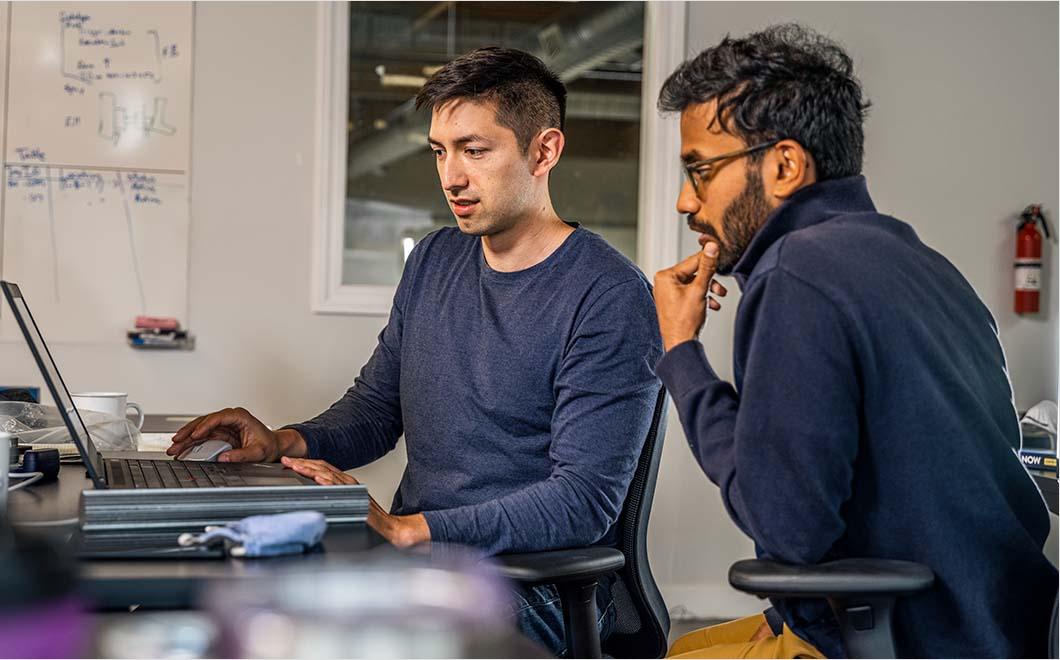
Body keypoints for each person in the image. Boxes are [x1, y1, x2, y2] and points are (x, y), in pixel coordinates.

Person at [168, 47, 662, 655]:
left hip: (530, 583)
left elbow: (583, 501)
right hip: (418, 557)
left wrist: (410, 530)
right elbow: (378, 409)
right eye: (440, 151)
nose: (451, 176)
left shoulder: (609, 295)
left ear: (544, 151)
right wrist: (282, 441)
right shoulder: (434, 259)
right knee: (217, 613)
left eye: (475, 150)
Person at [651, 24, 1056, 658]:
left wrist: (682, 355)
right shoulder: (923, 263)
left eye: (700, 170)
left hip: (902, 639)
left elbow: (790, 533)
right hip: (991, 630)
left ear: (785, 165)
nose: (684, 201)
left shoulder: (797, 274)